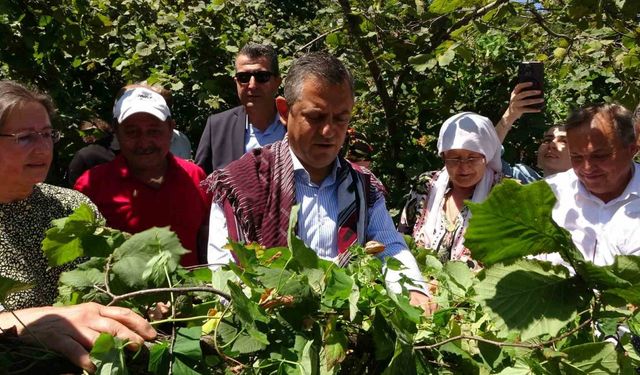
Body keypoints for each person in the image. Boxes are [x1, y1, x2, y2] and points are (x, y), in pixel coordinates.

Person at [204, 52, 433, 311]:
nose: (329, 131)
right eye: (315, 117)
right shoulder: (240, 183)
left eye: (340, 119)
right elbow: (224, 271)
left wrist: (413, 289)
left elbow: (388, 244)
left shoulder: (363, 187)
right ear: (284, 111)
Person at [0, 80, 155, 372]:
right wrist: (31, 323)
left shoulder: (72, 207)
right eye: (25, 137)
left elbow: (105, 289)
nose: (43, 147)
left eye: (47, 134)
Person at [74, 86, 210, 266]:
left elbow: (206, 242)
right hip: (120, 294)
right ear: (116, 131)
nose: (144, 142)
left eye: (153, 131)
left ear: (170, 128)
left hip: (191, 292)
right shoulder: (91, 186)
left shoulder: (195, 176)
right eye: (132, 132)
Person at [398, 112, 502, 267]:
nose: (463, 167)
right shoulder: (426, 186)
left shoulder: (503, 194)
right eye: (454, 158)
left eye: (472, 157)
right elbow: (400, 239)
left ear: (486, 156)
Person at [546, 103, 639, 265]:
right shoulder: (549, 194)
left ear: (632, 150)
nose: (587, 168)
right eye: (576, 157)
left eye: (599, 156)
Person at [195, 43, 285, 174]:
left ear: (277, 82)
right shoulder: (217, 127)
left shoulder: (297, 124)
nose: (252, 85)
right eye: (244, 77)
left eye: (262, 77)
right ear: (236, 82)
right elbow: (200, 182)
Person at [495, 82, 571, 182]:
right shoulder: (522, 179)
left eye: (563, 141)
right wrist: (510, 115)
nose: (551, 144)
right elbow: (483, 155)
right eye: (547, 140)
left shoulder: (591, 194)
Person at [67, 117, 116, 186]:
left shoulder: (84, 154)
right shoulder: (124, 146)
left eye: (87, 132)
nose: (84, 136)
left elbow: (75, 183)